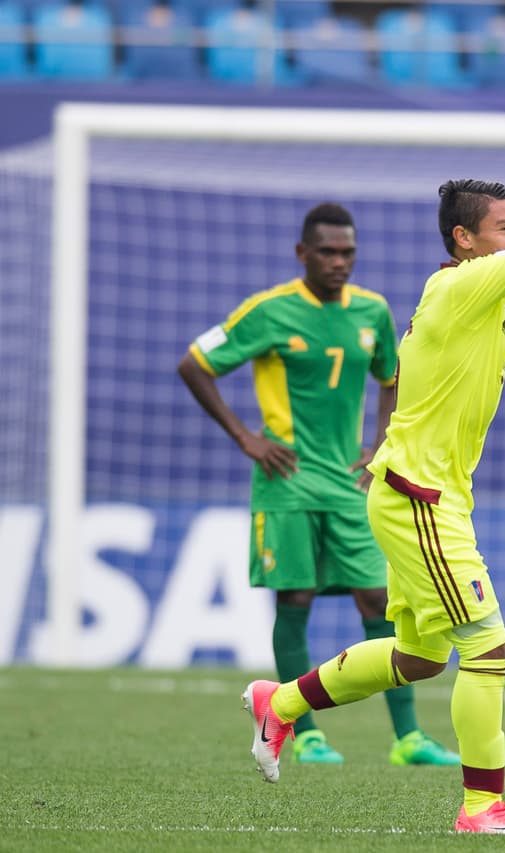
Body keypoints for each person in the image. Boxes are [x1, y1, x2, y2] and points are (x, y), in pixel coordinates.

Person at [239, 89, 505, 836]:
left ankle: (284, 703)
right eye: (503, 229)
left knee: (421, 657)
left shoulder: (479, 276)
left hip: (426, 492)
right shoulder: (466, 285)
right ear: (464, 240)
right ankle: (481, 806)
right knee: (486, 645)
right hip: (419, 495)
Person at [177, 202, 461, 769]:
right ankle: (301, 730)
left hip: (349, 484)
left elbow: (391, 377)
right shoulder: (270, 311)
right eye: (328, 252)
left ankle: (407, 738)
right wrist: (246, 439)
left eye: (348, 253)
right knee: (296, 598)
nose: (339, 262)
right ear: (302, 254)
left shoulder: (372, 310)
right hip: (286, 483)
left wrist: (379, 441)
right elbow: (195, 364)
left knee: (379, 600)